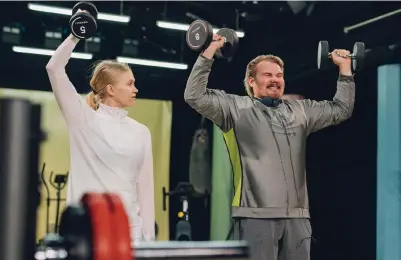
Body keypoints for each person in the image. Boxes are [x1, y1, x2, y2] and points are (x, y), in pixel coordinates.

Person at [184, 34, 355, 260]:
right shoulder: (235, 109)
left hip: (298, 218)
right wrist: (211, 49)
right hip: (255, 216)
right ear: (251, 81)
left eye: (279, 75)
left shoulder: (300, 110)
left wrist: (345, 69)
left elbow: (342, 109)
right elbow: (193, 95)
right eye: (267, 75)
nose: (275, 79)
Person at [46, 23, 155, 242]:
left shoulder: (141, 132)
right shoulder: (82, 120)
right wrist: (76, 35)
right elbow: (54, 69)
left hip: (130, 231)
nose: (136, 89)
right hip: (86, 232)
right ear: (111, 89)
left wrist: (149, 240)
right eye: (130, 83)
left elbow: (145, 190)